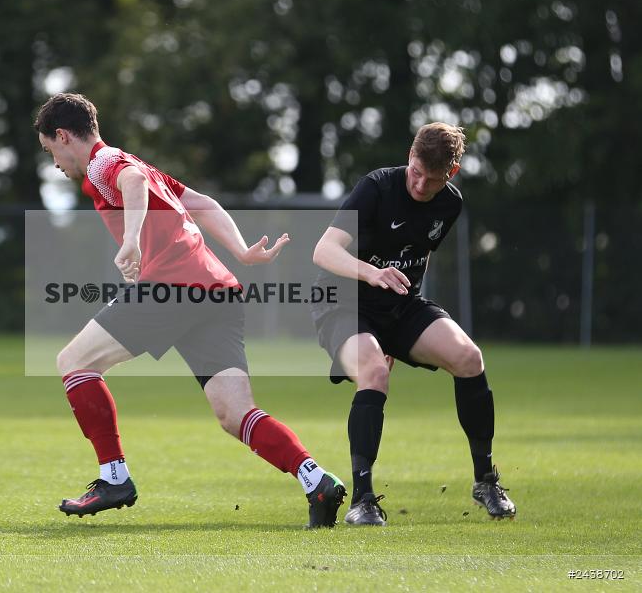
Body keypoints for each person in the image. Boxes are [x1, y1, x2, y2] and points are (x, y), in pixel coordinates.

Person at [33, 93, 346, 528]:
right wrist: (240, 251)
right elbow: (202, 204)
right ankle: (317, 480)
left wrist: (130, 240)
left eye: (51, 150)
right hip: (216, 291)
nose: (54, 164)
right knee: (235, 414)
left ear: (63, 136)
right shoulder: (138, 164)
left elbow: (133, 186)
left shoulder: (104, 164)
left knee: (74, 362)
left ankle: (114, 477)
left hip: (172, 285)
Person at [311, 122, 516, 525]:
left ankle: (486, 481)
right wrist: (371, 273)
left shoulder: (450, 204)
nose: (421, 185)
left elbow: (411, 255)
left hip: (399, 305)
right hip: (343, 303)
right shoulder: (376, 187)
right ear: (410, 155)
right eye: (417, 172)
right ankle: (363, 500)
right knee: (372, 369)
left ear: (451, 174)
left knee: (468, 357)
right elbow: (324, 251)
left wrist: (393, 320)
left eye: (433, 179)